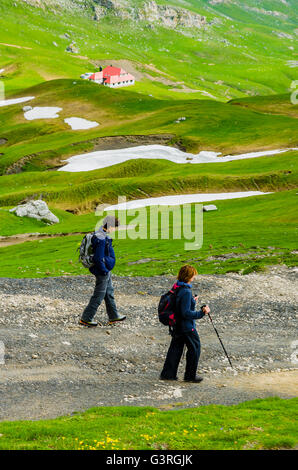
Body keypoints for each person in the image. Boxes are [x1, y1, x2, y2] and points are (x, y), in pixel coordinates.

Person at [160, 265, 210, 383]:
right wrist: (202, 313)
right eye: (193, 275)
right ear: (189, 276)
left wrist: (192, 301)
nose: (194, 278)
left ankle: (168, 374)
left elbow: (180, 306)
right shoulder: (186, 291)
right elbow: (186, 313)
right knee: (195, 348)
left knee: (176, 348)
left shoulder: (177, 287)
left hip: (176, 325)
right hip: (186, 327)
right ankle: (190, 376)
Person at [79, 216, 126, 327]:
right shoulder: (101, 238)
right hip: (101, 270)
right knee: (99, 295)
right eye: (114, 227)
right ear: (109, 226)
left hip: (104, 269)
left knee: (109, 292)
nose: (115, 230)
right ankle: (86, 318)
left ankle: (114, 316)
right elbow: (98, 258)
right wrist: (104, 270)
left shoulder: (100, 233)